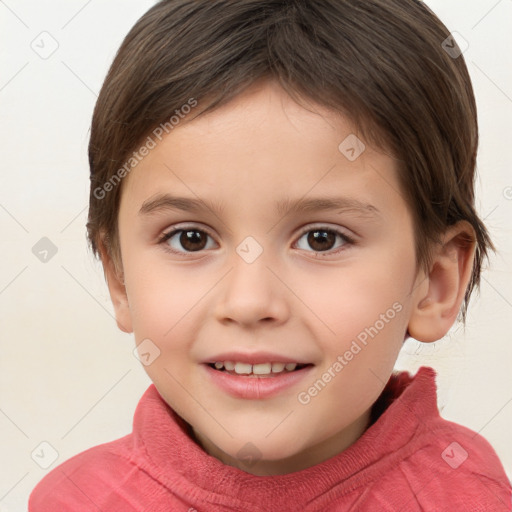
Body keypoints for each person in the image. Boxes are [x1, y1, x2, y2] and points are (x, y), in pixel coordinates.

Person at [29, 0, 512, 510]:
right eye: (190, 238)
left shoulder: (467, 496)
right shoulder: (75, 501)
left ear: (434, 284)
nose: (248, 301)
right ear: (120, 278)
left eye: (322, 239)